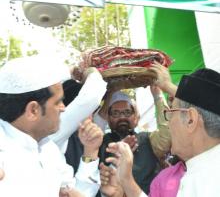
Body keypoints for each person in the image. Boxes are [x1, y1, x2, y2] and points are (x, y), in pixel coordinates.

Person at [102, 64, 220, 197]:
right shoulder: (201, 171)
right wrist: (126, 180)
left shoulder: (208, 180)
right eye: (116, 113)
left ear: (190, 120)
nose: (168, 123)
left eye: (171, 113)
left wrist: (166, 87)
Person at [0, 55, 103, 197]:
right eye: (58, 102)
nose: (63, 108)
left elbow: (78, 193)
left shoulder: (48, 149)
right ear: (33, 110)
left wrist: (90, 153)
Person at [99, 84, 171, 195]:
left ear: (136, 117)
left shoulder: (148, 139)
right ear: (108, 118)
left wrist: (158, 95)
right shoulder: (99, 143)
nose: (122, 117)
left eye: (127, 112)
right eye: (116, 113)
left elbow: (167, 135)